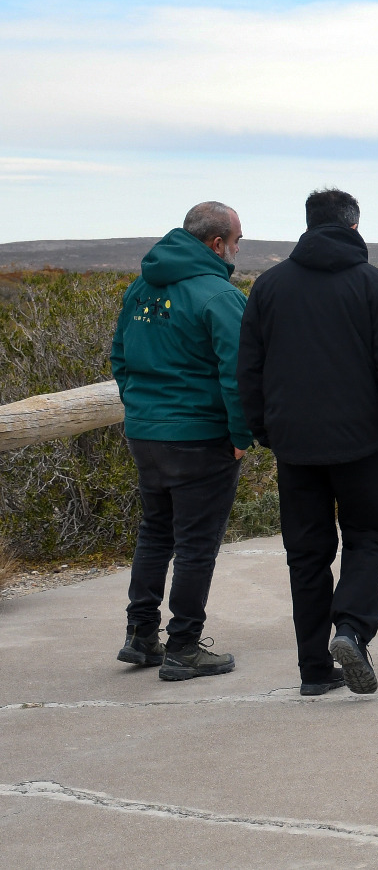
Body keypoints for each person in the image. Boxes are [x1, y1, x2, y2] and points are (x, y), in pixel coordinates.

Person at [237, 188, 378, 697]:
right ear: (354, 226)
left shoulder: (269, 286)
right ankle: (351, 629)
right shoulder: (372, 283)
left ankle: (314, 669)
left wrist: (266, 431)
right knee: (369, 538)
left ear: (309, 225)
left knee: (307, 555)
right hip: (363, 444)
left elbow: (248, 369)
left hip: (295, 446)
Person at [109, 202, 251, 682]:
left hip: (146, 433)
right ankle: (184, 647)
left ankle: (140, 635)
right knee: (196, 545)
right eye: (237, 241)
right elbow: (239, 373)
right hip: (200, 437)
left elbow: (120, 355)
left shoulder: (142, 287)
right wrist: (240, 435)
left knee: (155, 533)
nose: (238, 250)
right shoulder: (219, 296)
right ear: (217, 243)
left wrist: (140, 409)